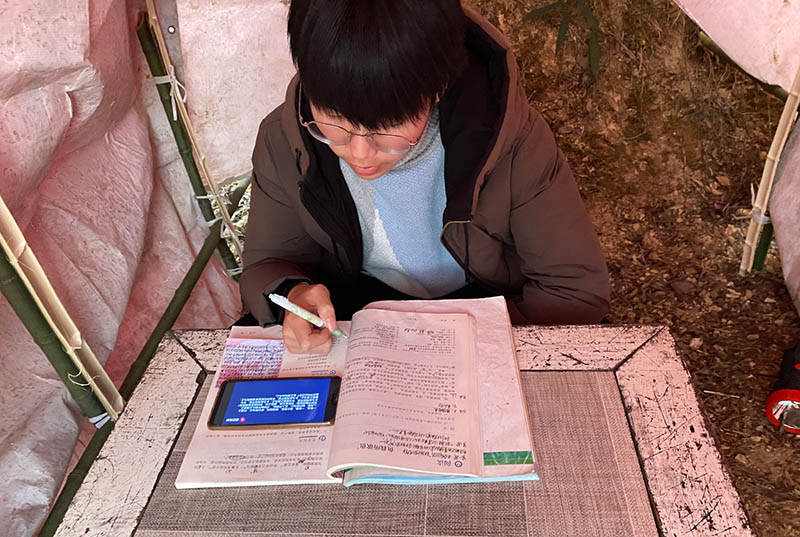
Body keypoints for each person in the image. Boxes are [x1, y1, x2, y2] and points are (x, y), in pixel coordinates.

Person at [240, 0, 610, 354]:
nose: (360, 153)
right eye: (334, 120)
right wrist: (292, 295)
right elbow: (267, 265)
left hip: (485, 310)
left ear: (437, 88)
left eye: (387, 126)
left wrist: (457, 346)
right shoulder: (285, 140)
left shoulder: (511, 139)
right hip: (355, 314)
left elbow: (574, 292)